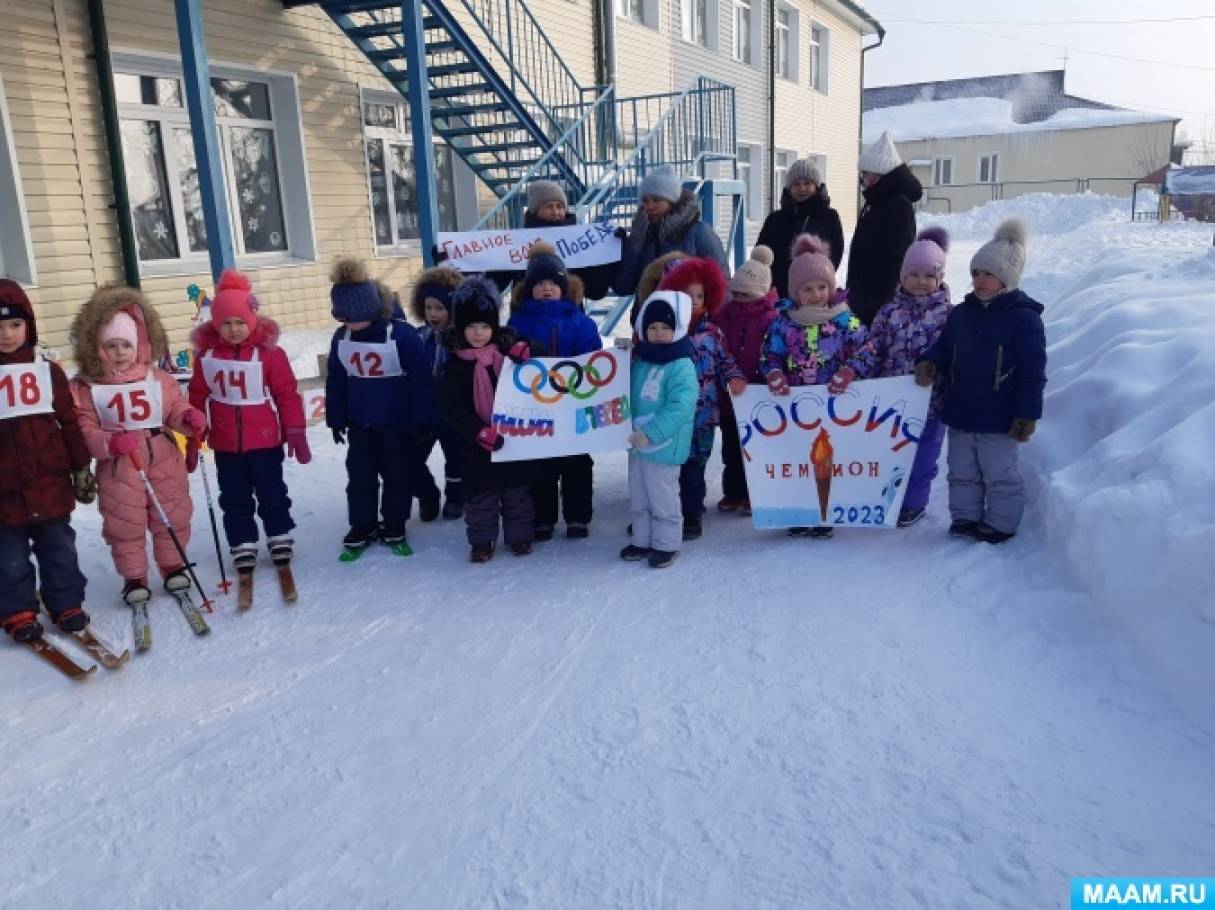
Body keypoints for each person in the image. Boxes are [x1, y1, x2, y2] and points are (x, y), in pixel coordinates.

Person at [70, 286, 208, 604]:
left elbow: (174, 408)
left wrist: (188, 419)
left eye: (126, 345)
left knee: (171, 514)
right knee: (125, 524)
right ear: (97, 348)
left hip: (162, 457)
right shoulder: (88, 387)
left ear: (140, 344)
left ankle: (173, 566)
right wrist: (109, 442)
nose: (120, 352)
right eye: (111, 345)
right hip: (119, 466)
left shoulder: (157, 378)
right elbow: (85, 429)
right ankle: (134, 577)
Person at [915, 218, 1045, 545]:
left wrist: (1026, 414)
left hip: (999, 416)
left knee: (999, 473)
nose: (980, 280)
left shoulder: (1024, 319)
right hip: (961, 409)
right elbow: (945, 346)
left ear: (1007, 277)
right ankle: (965, 518)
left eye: (988, 273)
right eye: (975, 273)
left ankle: (1001, 523)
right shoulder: (962, 314)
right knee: (961, 471)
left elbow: (1032, 372)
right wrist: (930, 361)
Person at [188, 269, 308, 574]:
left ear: (252, 320)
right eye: (226, 323)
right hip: (226, 443)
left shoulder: (269, 354)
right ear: (215, 324)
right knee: (234, 496)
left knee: (272, 491)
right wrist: (193, 431)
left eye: (240, 321)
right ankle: (242, 541)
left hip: (265, 440)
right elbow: (197, 394)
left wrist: (295, 430)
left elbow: (287, 394)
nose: (233, 329)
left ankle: (279, 534)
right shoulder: (207, 355)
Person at [761, 234, 877, 539]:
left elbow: (867, 348)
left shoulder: (845, 319)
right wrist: (773, 372)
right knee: (798, 458)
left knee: (826, 457)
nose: (816, 294)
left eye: (822, 287)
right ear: (795, 291)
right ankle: (800, 510)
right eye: (807, 289)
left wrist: (850, 371)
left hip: (833, 406)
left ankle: (826, 511)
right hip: (795, 409)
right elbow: (770, 353)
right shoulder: (783, 323)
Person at [837, 227, 953, 528]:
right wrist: (854, 370)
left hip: (932, 402)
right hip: (892, 403)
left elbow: (956, 354)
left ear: (939, 279)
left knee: (924, 457)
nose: (921, 282)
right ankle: (885, 496)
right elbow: (873, 348)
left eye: (929, 276)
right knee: (890, 452)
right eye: (914, 274)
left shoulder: (949, 315)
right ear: (902, 277)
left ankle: (913, 504)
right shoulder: (889, 312)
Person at [0, 280, 96, 642]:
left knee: (59, 548)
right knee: (8, 556)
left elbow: (69, 422)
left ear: (29, 326)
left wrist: (80, 467)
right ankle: (17, 609)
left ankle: (66, 601)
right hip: (4, 487)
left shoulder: (47, 371)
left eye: (14, 325)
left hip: (49, 481)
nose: (7, 334)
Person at [325, 258, 430, 556]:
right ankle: (362, 524)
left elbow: (421, 381)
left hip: (397, 423)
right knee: (359, 476)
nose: (351, 322)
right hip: (360, 423)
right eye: (344, 316)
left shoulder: (401, 335)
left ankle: (395, 524)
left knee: (397, 476)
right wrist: (336, 417)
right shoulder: (342, 336)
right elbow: (336, 378)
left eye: (357, 315)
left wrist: (422, 419)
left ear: (372, 307)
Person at [507, 242, 602, 541]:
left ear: (563, 287)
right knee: (539, 465)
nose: (546, 288)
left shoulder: (580, 321)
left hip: (572, 405)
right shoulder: (518, 321)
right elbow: (507, 356)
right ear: (529, 288)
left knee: (576, 463)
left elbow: (593, 359)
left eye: (552, 283)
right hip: (536, 407)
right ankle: (542, 517)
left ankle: (577, 517)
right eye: (539, 284)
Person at [439, 276, 538, 563]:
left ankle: (519, 536)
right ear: (461, 327)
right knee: (480, 496)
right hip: (475, 444)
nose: (479, 333)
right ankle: (482, 541)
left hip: (511, 438)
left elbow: (542, 363)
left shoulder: (508, 353)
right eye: (472, 326)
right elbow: (452, 406)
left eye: (485, 326)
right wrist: (477, 431)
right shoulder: (456, 364)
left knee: (516, 493)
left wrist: (528, 347)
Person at [654, 257, 746, 539]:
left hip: (703, 417)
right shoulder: (659, 334)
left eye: (699, 295)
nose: (694, 301)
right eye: (686, 295)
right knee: (664, 469)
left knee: (694, 467)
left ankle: (692, 514)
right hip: (666, 415)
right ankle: (661, 513)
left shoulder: (712, 333)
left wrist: (734, 377)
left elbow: (726, 361)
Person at [620, 290, 699, 569]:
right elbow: (624, 390)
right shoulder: (641, 359)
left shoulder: (681, 364)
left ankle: (666, 543)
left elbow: (680, 407)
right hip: (637, 444)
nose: (659, 333)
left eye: (666, 327)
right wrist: (619, 360)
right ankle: (642, 539)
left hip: (664, 444)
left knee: (662, 496)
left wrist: (651, 433)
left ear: (677, 328)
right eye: (652, 327)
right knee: (639, 493)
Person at [711, 244, 779, 515]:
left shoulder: (770, 318)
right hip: (731, 395)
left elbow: (774, 351)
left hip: (759, 394)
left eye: (745, 294)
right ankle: (734, 491)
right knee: (731, 449)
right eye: (735, 293)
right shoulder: (723, 316)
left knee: (757, 447)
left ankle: (756, 493)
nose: (739, 298)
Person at [486, 181, 621, 300]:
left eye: (560, 206)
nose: (556, 211)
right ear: (535, 210)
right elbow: (495, 286)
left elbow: (595, 292)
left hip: (569, 321)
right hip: (527, 320)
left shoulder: (579, 242)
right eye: (549, 206)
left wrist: (605, 254)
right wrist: (487, 260)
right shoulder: (518, 242)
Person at [845, 131, 924, 326]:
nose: (862, 179)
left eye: (865, 174)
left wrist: (875, 303)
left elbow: (896, 258)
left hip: (878, 303)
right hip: (863, 297)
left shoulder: (898, 205)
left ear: (879, 174)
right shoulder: (877, 201)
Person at [613, 166, 729, 297]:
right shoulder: (641, 235)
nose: (649, 206)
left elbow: (721, 284)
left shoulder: (699, 232)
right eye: (645, 200)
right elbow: (622, 288)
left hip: (690, 315)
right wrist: (634, 244)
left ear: (672, 202)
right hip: (648, 315)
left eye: (657, 200)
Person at [409, 263, 467, 520]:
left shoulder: (463, 339)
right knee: (410, 460)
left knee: (456, 460)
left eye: (440, 308)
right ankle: (426, 494)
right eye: (428, 307)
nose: (432, 313)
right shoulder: (417, 336)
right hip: (422, 412)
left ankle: (456, 497)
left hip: (452, 415)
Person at [757, 158, 845, 298]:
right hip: (778, 294)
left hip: (814, 295)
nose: (802, 188)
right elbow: (762, 254)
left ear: (816, 186)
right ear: (789, 188)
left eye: (807, 183)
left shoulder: (829, 217)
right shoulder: (775, 219)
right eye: (796, 184)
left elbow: (834, 254)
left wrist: (816, 280)